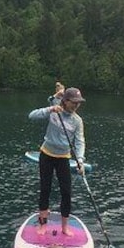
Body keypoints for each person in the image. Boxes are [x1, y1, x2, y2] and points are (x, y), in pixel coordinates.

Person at [28, 87, 86, 236]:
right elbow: (32, 116)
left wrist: (80, 160)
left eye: (78, 103)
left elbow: (80, 142)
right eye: (74, 102)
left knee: (66, 192)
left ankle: (65, 226)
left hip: (63, 158)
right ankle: (42, 223)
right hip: (46, 154)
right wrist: (49, 109)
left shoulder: (77, 121)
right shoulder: (54, 111)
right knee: (45, 189)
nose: (76, 106)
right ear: (65, 101)